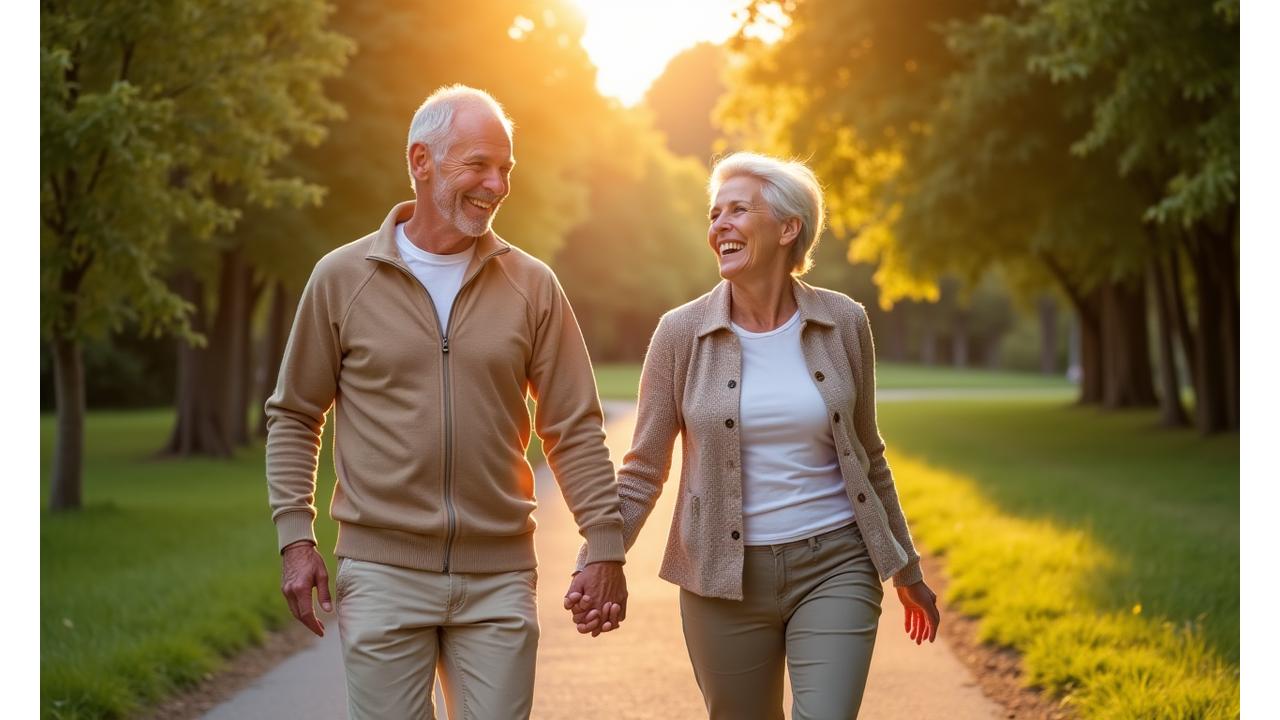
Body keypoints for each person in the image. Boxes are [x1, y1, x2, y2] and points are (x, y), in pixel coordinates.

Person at [265, 84, 628, 720]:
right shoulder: (342, 278)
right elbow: (295, 413)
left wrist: (605, 543)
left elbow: (573, 425)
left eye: (506, 169)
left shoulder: (532, 285)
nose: (497, 184)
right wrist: (296, 540)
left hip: (499, 578)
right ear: (421, 161)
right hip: (380, 572)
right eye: (479, 164)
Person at [566, 152, 940, 719]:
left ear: (789, 228)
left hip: (836, 561)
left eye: (739, 210)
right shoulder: (680, 333)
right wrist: (599, 557)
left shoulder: (844, 322)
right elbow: (643, 469)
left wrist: (906, 569)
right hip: (721, 581)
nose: (719, 225)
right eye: (715, 214)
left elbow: (869, 456)